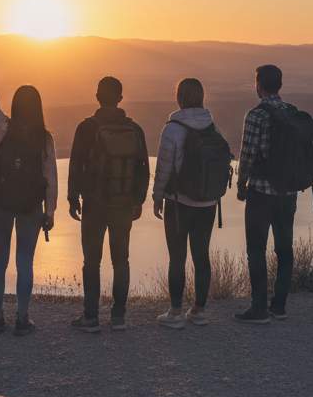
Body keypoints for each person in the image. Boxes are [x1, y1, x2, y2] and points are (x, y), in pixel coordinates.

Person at [0, 35, 57, 336]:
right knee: (24, 262)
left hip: (0, 204)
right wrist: (50, 212)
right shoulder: (45, 139)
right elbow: (51, 178)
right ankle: (21, 318)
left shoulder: (2, 128)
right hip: (31, 207)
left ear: (16, 105)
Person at [68, 76, 150, 332]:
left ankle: (91, 317)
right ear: (121, 99)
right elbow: (144, 168)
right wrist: (139, 201)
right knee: (121, 260)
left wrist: (73, 199)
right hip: (124, 205)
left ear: (97, 97)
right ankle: (118, 317)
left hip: (94, 204)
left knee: (91, 261)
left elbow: (75, 166)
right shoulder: (134, 129)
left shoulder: (87, 127)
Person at [152, 78, 223, 328]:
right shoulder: (213, 128)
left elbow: (163, 169)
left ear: (179, 98)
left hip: (178, 204)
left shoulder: (171, 129)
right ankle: (199, 311)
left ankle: (174, 313)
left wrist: (157, 197)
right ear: (201, 97)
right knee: (201, 256)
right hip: (208, 204)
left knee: (177, 257)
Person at [234, 64, 299, 324]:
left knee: (256, 250)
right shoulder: (293, 113)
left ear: (258, 84)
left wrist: (241, 186)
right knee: (284, 249)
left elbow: (247, 155)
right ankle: (279, 306)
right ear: (280, 85)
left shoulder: (256, 115)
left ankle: (258, 308)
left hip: (261, 193)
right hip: (289, 193)